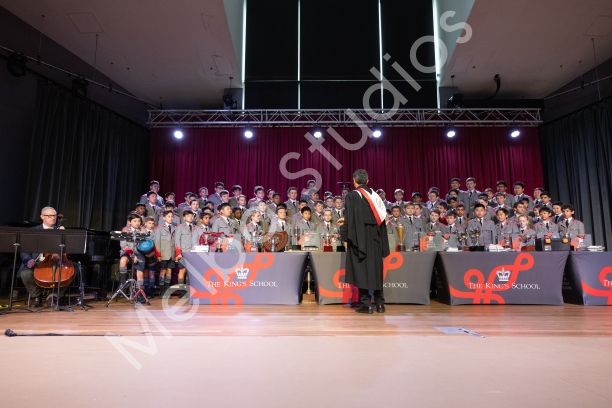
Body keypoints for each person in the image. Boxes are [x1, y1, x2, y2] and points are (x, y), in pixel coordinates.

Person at [341, 169, 389, 314]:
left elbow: (349, 219)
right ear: (367, 181)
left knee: (361, 269)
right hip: (375, 238)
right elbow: (382, 220)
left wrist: (344, 237)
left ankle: (366, 304)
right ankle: (380, 303)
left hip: (358, 238)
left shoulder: (352, 196)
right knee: (376, 269)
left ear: (354, 181)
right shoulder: (376, 196)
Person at [18, 207, 67, 308]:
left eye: (54, 216)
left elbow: (69, 249)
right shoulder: (33, 231)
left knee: (73, 269)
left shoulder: (60, 230)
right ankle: (36, 297)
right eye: (50, 216)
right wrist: (28, 260)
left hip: (55, 263)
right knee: (25, 273)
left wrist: (64, 235)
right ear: (42, 216)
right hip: (37, 263)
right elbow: (24, 251)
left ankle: (53, 297)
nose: (53, 218)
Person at [175, 209, 199, 290]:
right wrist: (178, 253)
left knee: (190, 272)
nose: (190, 217)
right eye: (188, 216)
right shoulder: (180, 227)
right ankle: (181, 290)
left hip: (193, 253)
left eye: (192, 216)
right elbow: (177, 240)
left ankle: (189, 289)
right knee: (182, 270)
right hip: (184, 252)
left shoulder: (196, 227)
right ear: (184, 218)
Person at [154, 210, 176, 296]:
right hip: (163, 253)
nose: (171, 218)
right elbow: (157, 242)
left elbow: (175, 242)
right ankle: (161, 291)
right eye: (168, 216)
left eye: (172, 216)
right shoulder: (159, 228)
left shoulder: (175, 228)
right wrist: (158, 254)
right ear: (164, 218)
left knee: (169, 271)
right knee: (163, 271)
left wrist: (175, 254)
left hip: (171, 254)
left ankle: (167, 291)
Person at [142, 216, 158, 298]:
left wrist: (153, 253)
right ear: (145, 224)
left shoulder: (155, 233)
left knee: (151, 272)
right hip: (144, 255)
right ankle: (145, 290)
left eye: (152, 223)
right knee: (145, 272)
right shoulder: (142, 232)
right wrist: (144, 253)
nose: (151, 225)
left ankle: (151, 291)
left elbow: (157, 243)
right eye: (149, 223)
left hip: (152, 255)